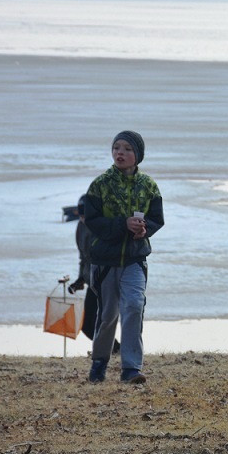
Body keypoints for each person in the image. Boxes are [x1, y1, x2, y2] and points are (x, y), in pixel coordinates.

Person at [82, 130, 163, 385]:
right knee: (107, 315)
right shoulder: (100, 185)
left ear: (137, 155)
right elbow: (92, 222)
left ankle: (131, 369)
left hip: (135, 259)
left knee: (134, 307)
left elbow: (157, 219)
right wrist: (122, 225)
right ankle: (99, 362)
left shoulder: (149, 185)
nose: (121, 153)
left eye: (127, 149)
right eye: (117, 147)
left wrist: (143, 229)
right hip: (105, 262)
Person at [67, 196, 118, 352]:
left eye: (86, 215)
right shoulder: (80, 228)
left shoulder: (103, 226)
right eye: (80, 215)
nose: (83, 218)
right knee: (87, 325)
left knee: (103, 321)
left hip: (107, 281)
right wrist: (80, 279)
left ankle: (113, 351)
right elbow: (84, 257)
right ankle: (115, 349)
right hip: (92, 282)